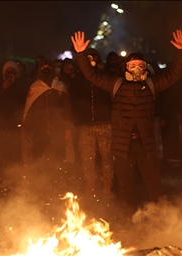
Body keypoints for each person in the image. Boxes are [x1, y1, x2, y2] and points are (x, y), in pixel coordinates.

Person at [71, 29, 182, 213]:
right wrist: (81, 54)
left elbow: (174, 74)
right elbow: (91, 76)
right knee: (125, 187)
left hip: (146, 143)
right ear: (126, 67)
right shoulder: (115, 84)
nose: (136, 69)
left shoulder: (152, 84)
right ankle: (127, 219)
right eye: (132, 65)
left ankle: (160, 218)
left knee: (154, 184)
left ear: (145, 68)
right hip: (122, 143)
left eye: (140, 65)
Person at [21, 58, 74, 196]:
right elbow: (29, 111)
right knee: (41, 161)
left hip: (58, 132)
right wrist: (28, 131)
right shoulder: (34, 88)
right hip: (40, 133)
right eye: (43, 66)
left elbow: (67, 110)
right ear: (39, 69)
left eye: (48, 66)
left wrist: (68, 129)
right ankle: (43, 192)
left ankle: (59, 190)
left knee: (58, 161)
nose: (46, 68)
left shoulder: (60, 87)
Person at [68, 48, 115, 200]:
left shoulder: (106, 77)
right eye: (87, 58)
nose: (90, 61)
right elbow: (73, 102)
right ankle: (90, 185)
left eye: (93, 58)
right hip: (86, 124)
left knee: (107, 156)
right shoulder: (77, 80)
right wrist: (75, 120)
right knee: (87, 157)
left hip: (105, 122)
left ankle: (107, 186)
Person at [0, 60, 32, 171]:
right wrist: (3, 88)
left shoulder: (22, 83)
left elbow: (26, 97)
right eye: (8, 70)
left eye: (12, 70)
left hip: (17, 121)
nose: (10, 72)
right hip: (2, 122)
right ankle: (3, 170)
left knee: (16, 147)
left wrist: (16, 83)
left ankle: (17, 170)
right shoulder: (0, 84)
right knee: (3, 147)